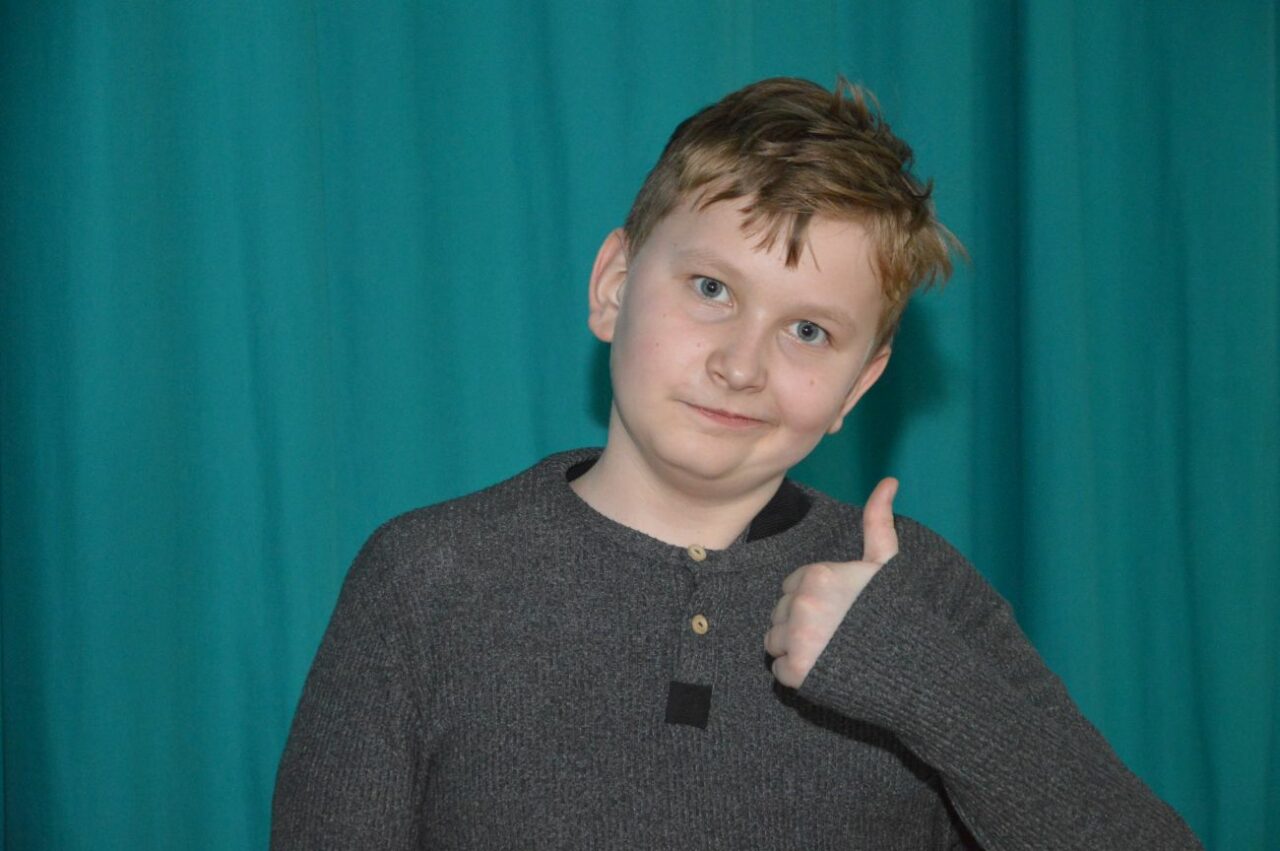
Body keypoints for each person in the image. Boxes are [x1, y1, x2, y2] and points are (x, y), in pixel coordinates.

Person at [271, 77, 1202, 849]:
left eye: (809, 330)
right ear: (613, 287)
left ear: (858, 385)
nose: (743, 365)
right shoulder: (426, 580)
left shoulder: (918, 598)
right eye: (712, 288)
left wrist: (921, 680)